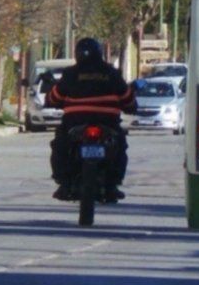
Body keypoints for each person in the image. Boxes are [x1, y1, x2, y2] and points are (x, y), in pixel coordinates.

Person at [46, 37, 136, 202]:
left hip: (75, 121)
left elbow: (55, 97)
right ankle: (112, 184)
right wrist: (130, 105)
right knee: (119, 146)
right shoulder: (111, 73)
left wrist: (52, 100)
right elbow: (127, 98)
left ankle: (64, 183)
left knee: (60, 145)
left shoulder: (71, 73)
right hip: (107, 122)